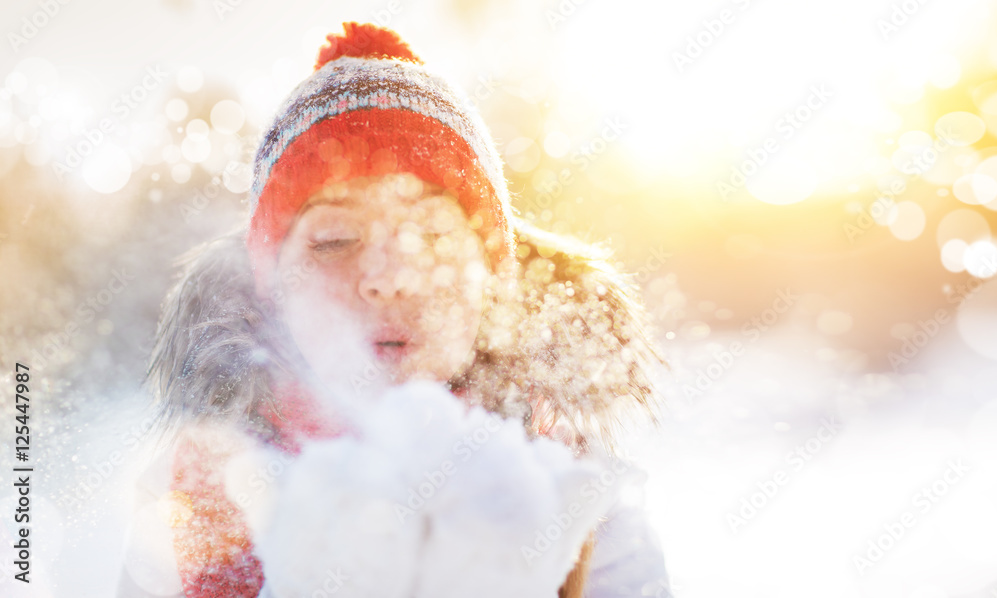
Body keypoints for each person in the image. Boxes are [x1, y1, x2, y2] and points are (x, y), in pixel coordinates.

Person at [118, 22, 670, 598]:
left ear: (489, 277)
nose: (387, 277)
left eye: (431, 235)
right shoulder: (194, 511)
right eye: (334, 240)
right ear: (272, 285)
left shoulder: (578, 498)